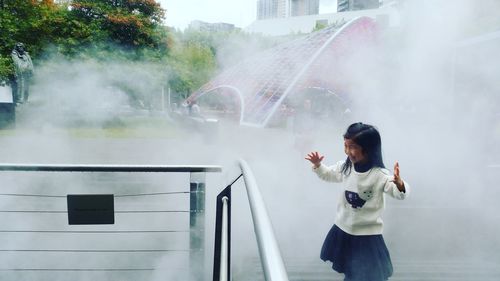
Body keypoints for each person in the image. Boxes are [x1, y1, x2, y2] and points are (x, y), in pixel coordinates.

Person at [305, 122, 410, 281]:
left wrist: (400, 184)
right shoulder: (346, 167)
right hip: (344, 229)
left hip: (367, 235)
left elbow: (398, 193)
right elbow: (328, 175)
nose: (348, 152)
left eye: (352, 147)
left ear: (368, 148)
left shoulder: (379, 174)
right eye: (345, 146)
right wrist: (318, 165)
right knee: (352, 272)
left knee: (373, 275)